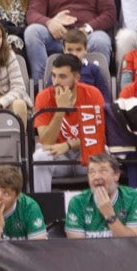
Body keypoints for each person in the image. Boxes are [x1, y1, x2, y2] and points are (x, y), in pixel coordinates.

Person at [31, 53, 109, 190]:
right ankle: (41, 206)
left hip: (84, 154)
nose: (55, 82)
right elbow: (46, 141)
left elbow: (98, 136)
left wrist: (68, 145)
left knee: (105, 154)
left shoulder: (93, 94)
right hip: (58, 155)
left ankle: (104, 207)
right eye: (53, 75)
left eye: (62, 77)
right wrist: (60, 110)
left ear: (76, 77)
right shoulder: (43, 97)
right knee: (39, 157)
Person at [65, 152, 137, 238]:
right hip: (90, 251)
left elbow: (134, 243)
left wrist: (109, 215)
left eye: (103, 171)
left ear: (116, 175)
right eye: (92, 172)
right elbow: (76, 247)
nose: (96, 177)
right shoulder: (78, 202)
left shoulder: (134, 198)